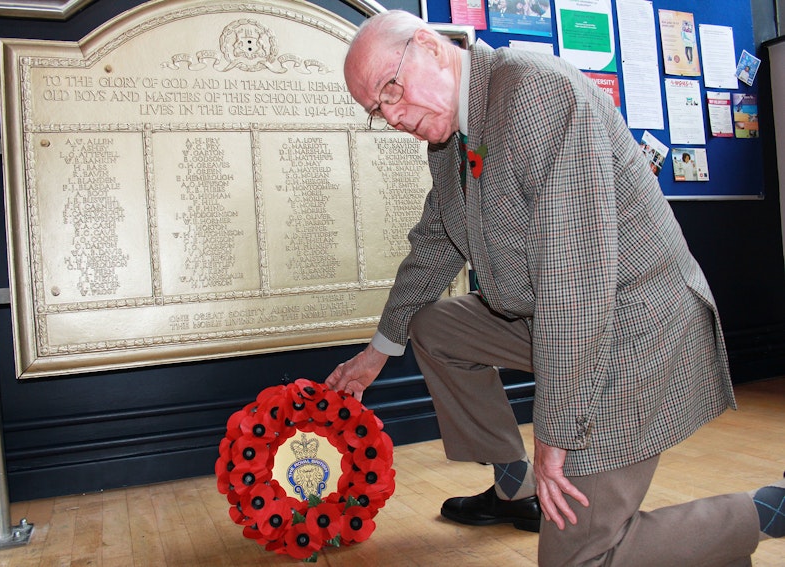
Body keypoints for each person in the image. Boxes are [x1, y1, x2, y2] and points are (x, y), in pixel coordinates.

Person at [324, 9, 785, 566]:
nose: (393, 116)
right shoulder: (450, 134)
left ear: (429, 45)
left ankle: (768, 510)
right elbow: (434, 245)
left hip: (633, 332)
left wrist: (556, 431)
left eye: (390, 91)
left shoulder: (538, 95)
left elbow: (578, 282)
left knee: (576, 560)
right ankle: (515, 489)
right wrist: (378, 352)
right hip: (553, 318)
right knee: (432, 327)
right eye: (377, 110)